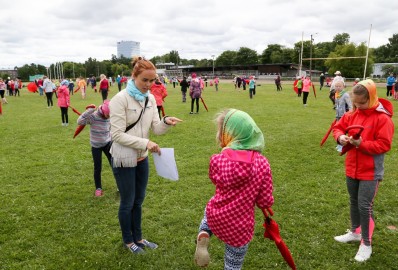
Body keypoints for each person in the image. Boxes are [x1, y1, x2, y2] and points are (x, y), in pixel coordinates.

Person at [109, 56, 182, 254]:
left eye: (152, 81)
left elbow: (156, 129)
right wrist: (145, 142)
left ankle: (139, 238)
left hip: (142, 158)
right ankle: (128, 241)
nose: (149, 85)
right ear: (134, 76)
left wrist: (166, 122)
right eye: (145, 80)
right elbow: (116, 135)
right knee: (127, 202)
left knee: (138, 201)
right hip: (124, 158)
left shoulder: (150, 98)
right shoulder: (120, 99)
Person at [194, 108, 274, 269]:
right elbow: (264, 201)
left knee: (210, 210)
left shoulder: (218, 160)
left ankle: (204, 233)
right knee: (233, 263)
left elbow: (215, 180)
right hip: (239, 225)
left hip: (216, 214)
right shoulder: (262, 163)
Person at [332, 79, 394, 262]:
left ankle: (366, 243)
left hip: (370, 172)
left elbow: (384, 145)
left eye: (362, 103)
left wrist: (362, 144)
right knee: (353, 201)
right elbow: (338, 127)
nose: (358, 106)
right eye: (355, 103)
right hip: (352, 167)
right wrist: (340, 137)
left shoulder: (382, 118)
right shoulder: (353, 113)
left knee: (364, 206)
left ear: (372, 97)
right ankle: (355, 232)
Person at [77, 100, 112, 197]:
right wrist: (89, 111)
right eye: (107, 115)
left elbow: (111, 127)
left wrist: (111, 136)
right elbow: (79, 121)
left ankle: (120, 184)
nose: (109, 117)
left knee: (114, 164)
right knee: (98, 167)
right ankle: (98, 188)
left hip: (107, 143)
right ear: (103, 111)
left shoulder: (109, 115)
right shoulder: (93, 116)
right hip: (96, 146)